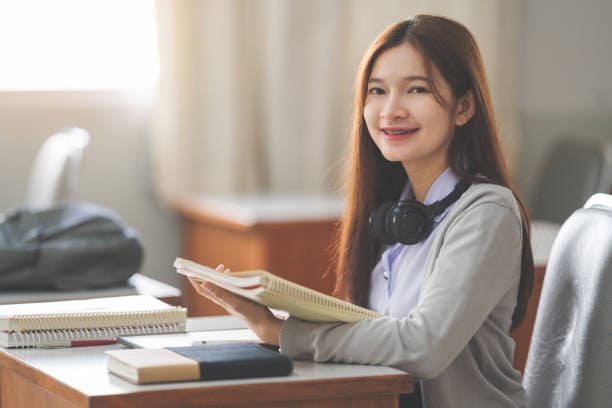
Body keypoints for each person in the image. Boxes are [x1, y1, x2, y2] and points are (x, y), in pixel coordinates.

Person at [189, 14, 534, 408]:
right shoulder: (395, 213)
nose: (391, 110)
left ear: (464, 107)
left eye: (416, 89)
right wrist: (264, 317)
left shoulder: (486, 213)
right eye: (377, 90)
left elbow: (422, 347)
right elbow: (377, 340)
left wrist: (280, 332)